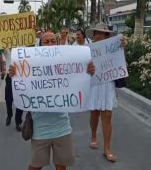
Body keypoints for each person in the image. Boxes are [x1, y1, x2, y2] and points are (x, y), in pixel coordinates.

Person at [9, 32, 95, 170]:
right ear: (40, 45)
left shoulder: (65, 64)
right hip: (40, 129)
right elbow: (20, 86)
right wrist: (14, 74)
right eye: (46, 41)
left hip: (62, 127)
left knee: (61, 166)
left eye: (52, 41)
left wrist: (89, 71)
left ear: (57, 43)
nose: (50, 44)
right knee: (35, 166)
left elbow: (80, 77)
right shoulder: (31, 66)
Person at [87, 23, 126, 163]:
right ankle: (93, 136)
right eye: (97, 32)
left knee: (107, 115)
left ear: (107, 35)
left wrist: (122, 47)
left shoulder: (114, 48)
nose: (99, 35)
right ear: (94, 35)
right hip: (93, 84)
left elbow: (120, 61)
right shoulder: (88, 50)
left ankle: (107, 148)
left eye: (102, 33)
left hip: (108, 83)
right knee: (94, 112)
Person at [3, 48, 23, 131]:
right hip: (10, 76)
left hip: (21, 76)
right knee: (8, 98)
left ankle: (18, 121)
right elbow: (0, 46)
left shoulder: (22, 46)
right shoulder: (6, 49)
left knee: (21, 99)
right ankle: (9, 114)